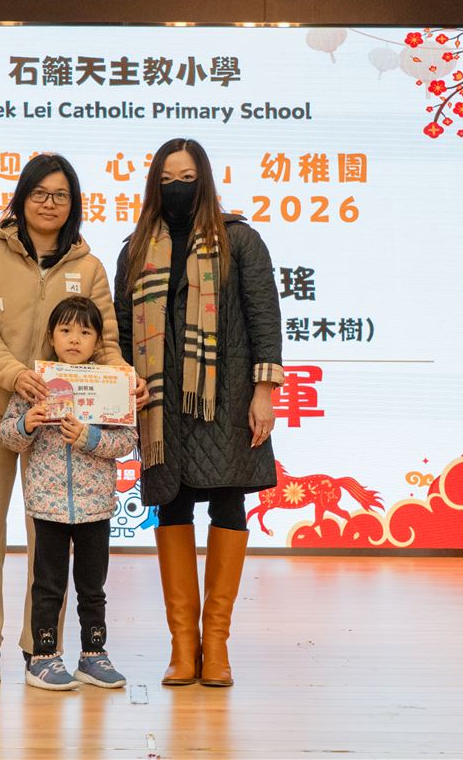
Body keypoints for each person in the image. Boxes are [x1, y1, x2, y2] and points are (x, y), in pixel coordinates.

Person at [0, 153, 130, 684]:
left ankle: (41, 646)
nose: (50, 203)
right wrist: (15, 376)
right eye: (40, 193)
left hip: (61, 415)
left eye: (61, 195)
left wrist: (125, 379)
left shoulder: (89, 267)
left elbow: (107, 341)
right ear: (22, 197)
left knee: (50, 530)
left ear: (74, 204)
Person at [114, 137, 284, 688]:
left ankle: (217, 646)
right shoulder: (136, 249)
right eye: (167, 180)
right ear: (154, 186)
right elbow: (121, 330)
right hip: (161, 404)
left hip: (227, 398)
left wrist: (265, 392)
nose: (177, 189)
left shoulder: (240, 240)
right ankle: (183, 647)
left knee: (230, 503)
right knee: (173, 505)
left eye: (187, 179)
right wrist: (126, 388)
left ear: (204, 180)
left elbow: (265, 320)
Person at [0, 296, 139, 690]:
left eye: (85, 332)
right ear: (51, 336)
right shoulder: (34, 384)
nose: (74, 339)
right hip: (48, 505)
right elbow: (7, 436)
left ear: (98, 341)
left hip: (96, 506)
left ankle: (94, 655)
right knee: (47, 585)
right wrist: (27, 423)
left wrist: (90, 437)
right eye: (65, 330)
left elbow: (127, 440)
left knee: (93, 588)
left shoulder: (110, 384)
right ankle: (43, 657)